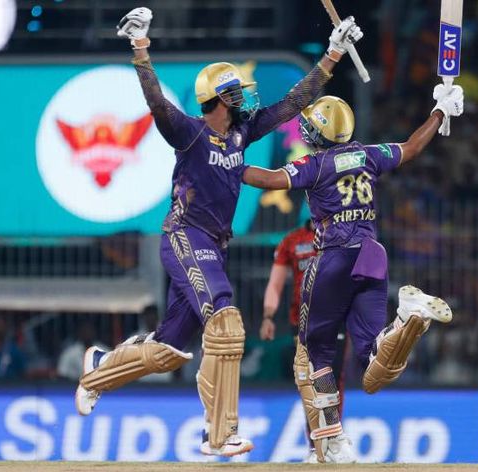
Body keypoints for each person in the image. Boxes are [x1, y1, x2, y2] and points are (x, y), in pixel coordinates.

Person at [74, 6, 364, 458]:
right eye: (235, 94)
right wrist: (140, 46)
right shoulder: (188, 132)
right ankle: (219, 434)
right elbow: (156, 103)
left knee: (168, 350)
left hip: (213, 245)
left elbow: (292, 102)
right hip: (185, 236)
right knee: (226, 323)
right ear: (218, 99)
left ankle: (98, 369)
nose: (244, 100)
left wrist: (333, 53)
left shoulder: (240, 134)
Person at [241, 85, 464, 462]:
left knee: (315, 351)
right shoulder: (368, 154)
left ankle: (334, 441)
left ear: (320, 133)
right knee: (373, 365)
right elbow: (411, 147)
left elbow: (267, 180)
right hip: (373, 255)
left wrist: (224, 161)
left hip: (334, 257)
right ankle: (405, 320)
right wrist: (440, 112)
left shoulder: (316, 165)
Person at [259, 219, 347, 461]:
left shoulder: (342, 235)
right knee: (308, 384)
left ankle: (335, 443)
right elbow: (275, 284)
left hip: (334, 319)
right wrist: (268, 316)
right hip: (302, 322)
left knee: (332, 381)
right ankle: (316, 447)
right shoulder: (292, 241)